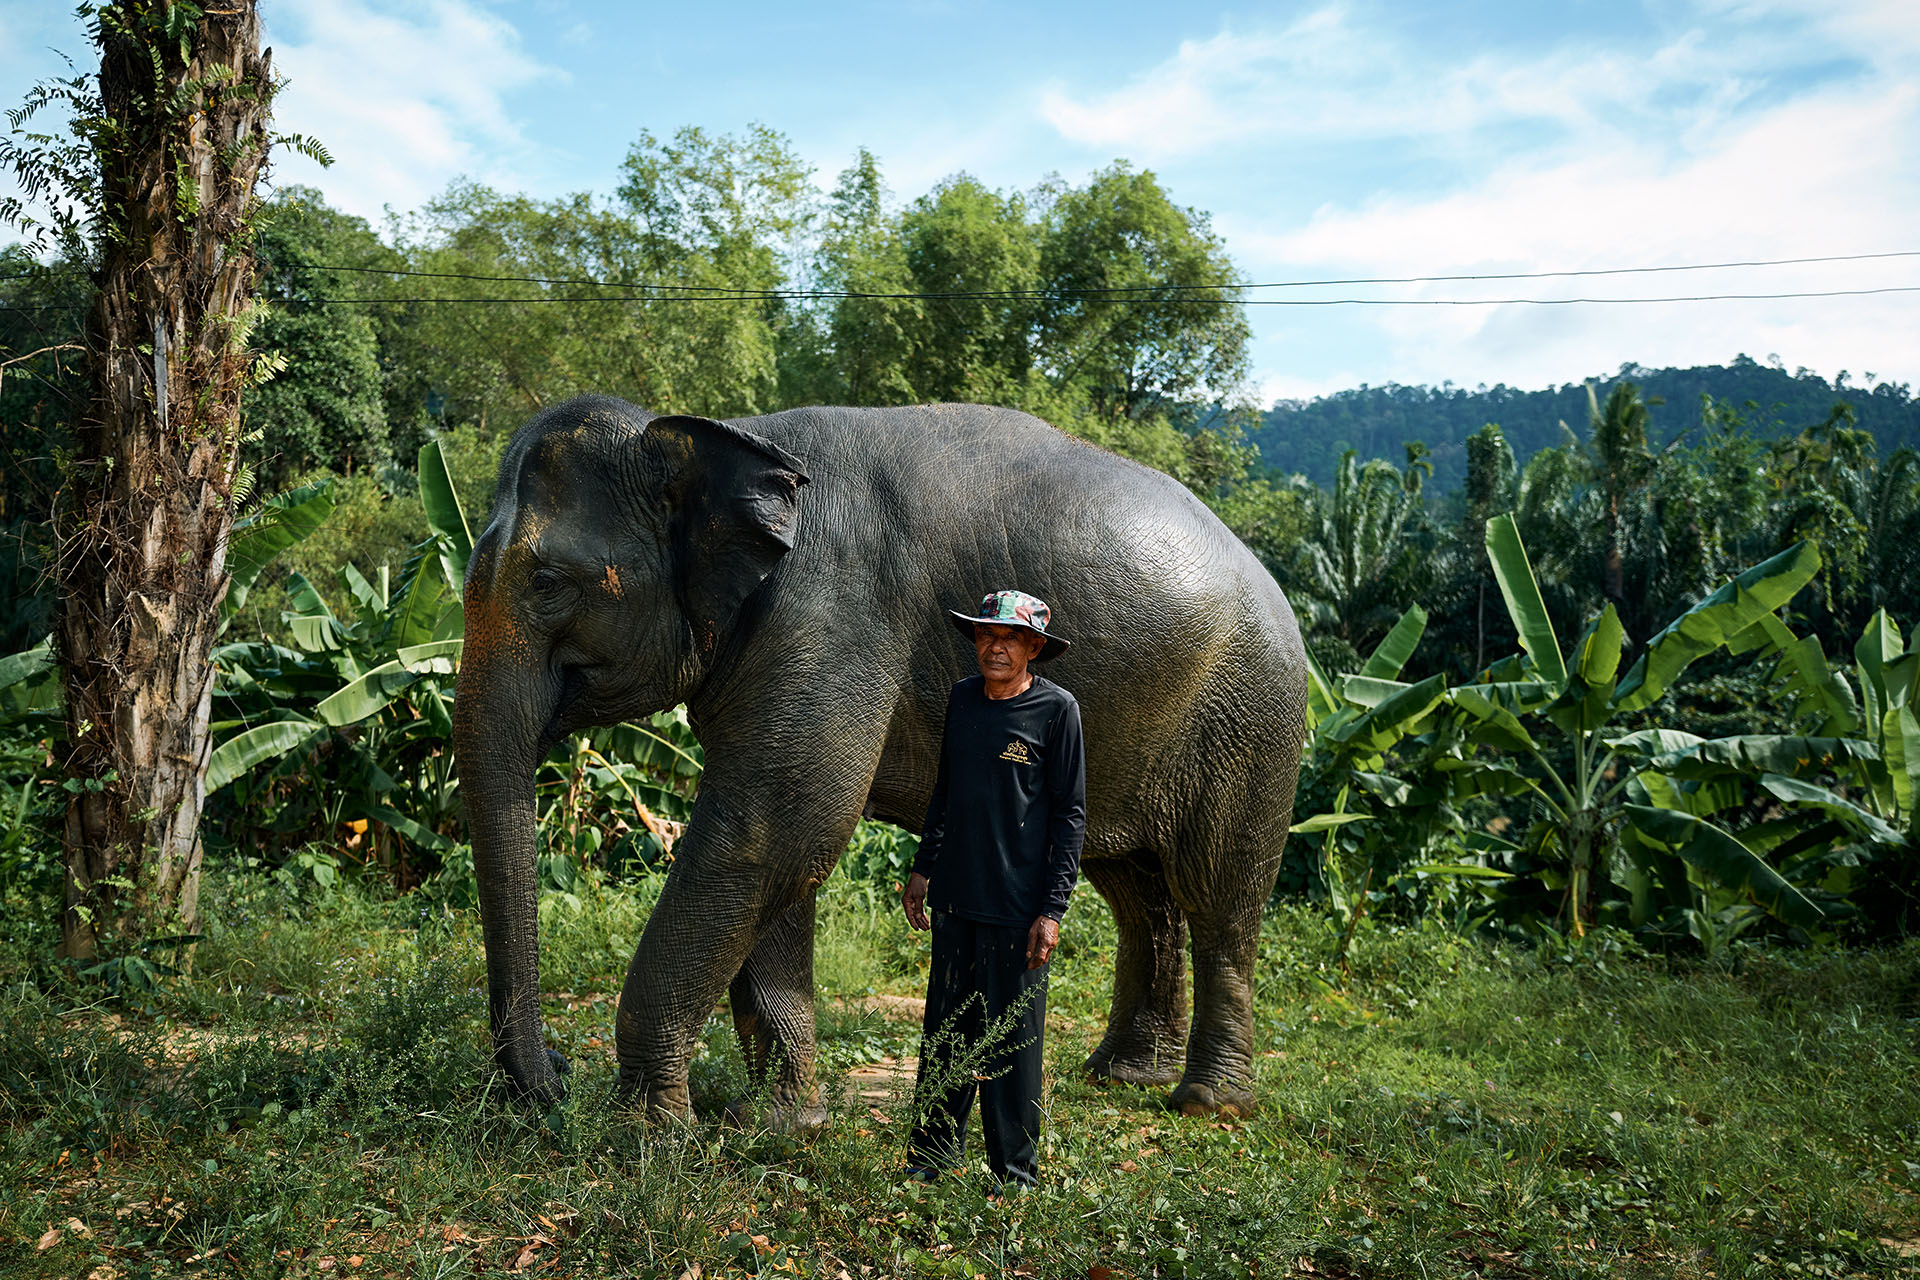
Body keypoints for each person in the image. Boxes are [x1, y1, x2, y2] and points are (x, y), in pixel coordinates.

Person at [901, 589, 1086, 1191]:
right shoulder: (962, 701)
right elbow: (946, 791)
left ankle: (1013, 1175)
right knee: (947, 1033)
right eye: (986, 636)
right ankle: (930, 1162)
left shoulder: (1057, 713)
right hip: (956, 898)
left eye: (1008, 638)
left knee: (1012, 1044)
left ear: (1033, 647)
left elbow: (1069, 817)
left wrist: (1051, 910)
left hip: (1017, 910)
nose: (995, 647)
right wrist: (924, 868)